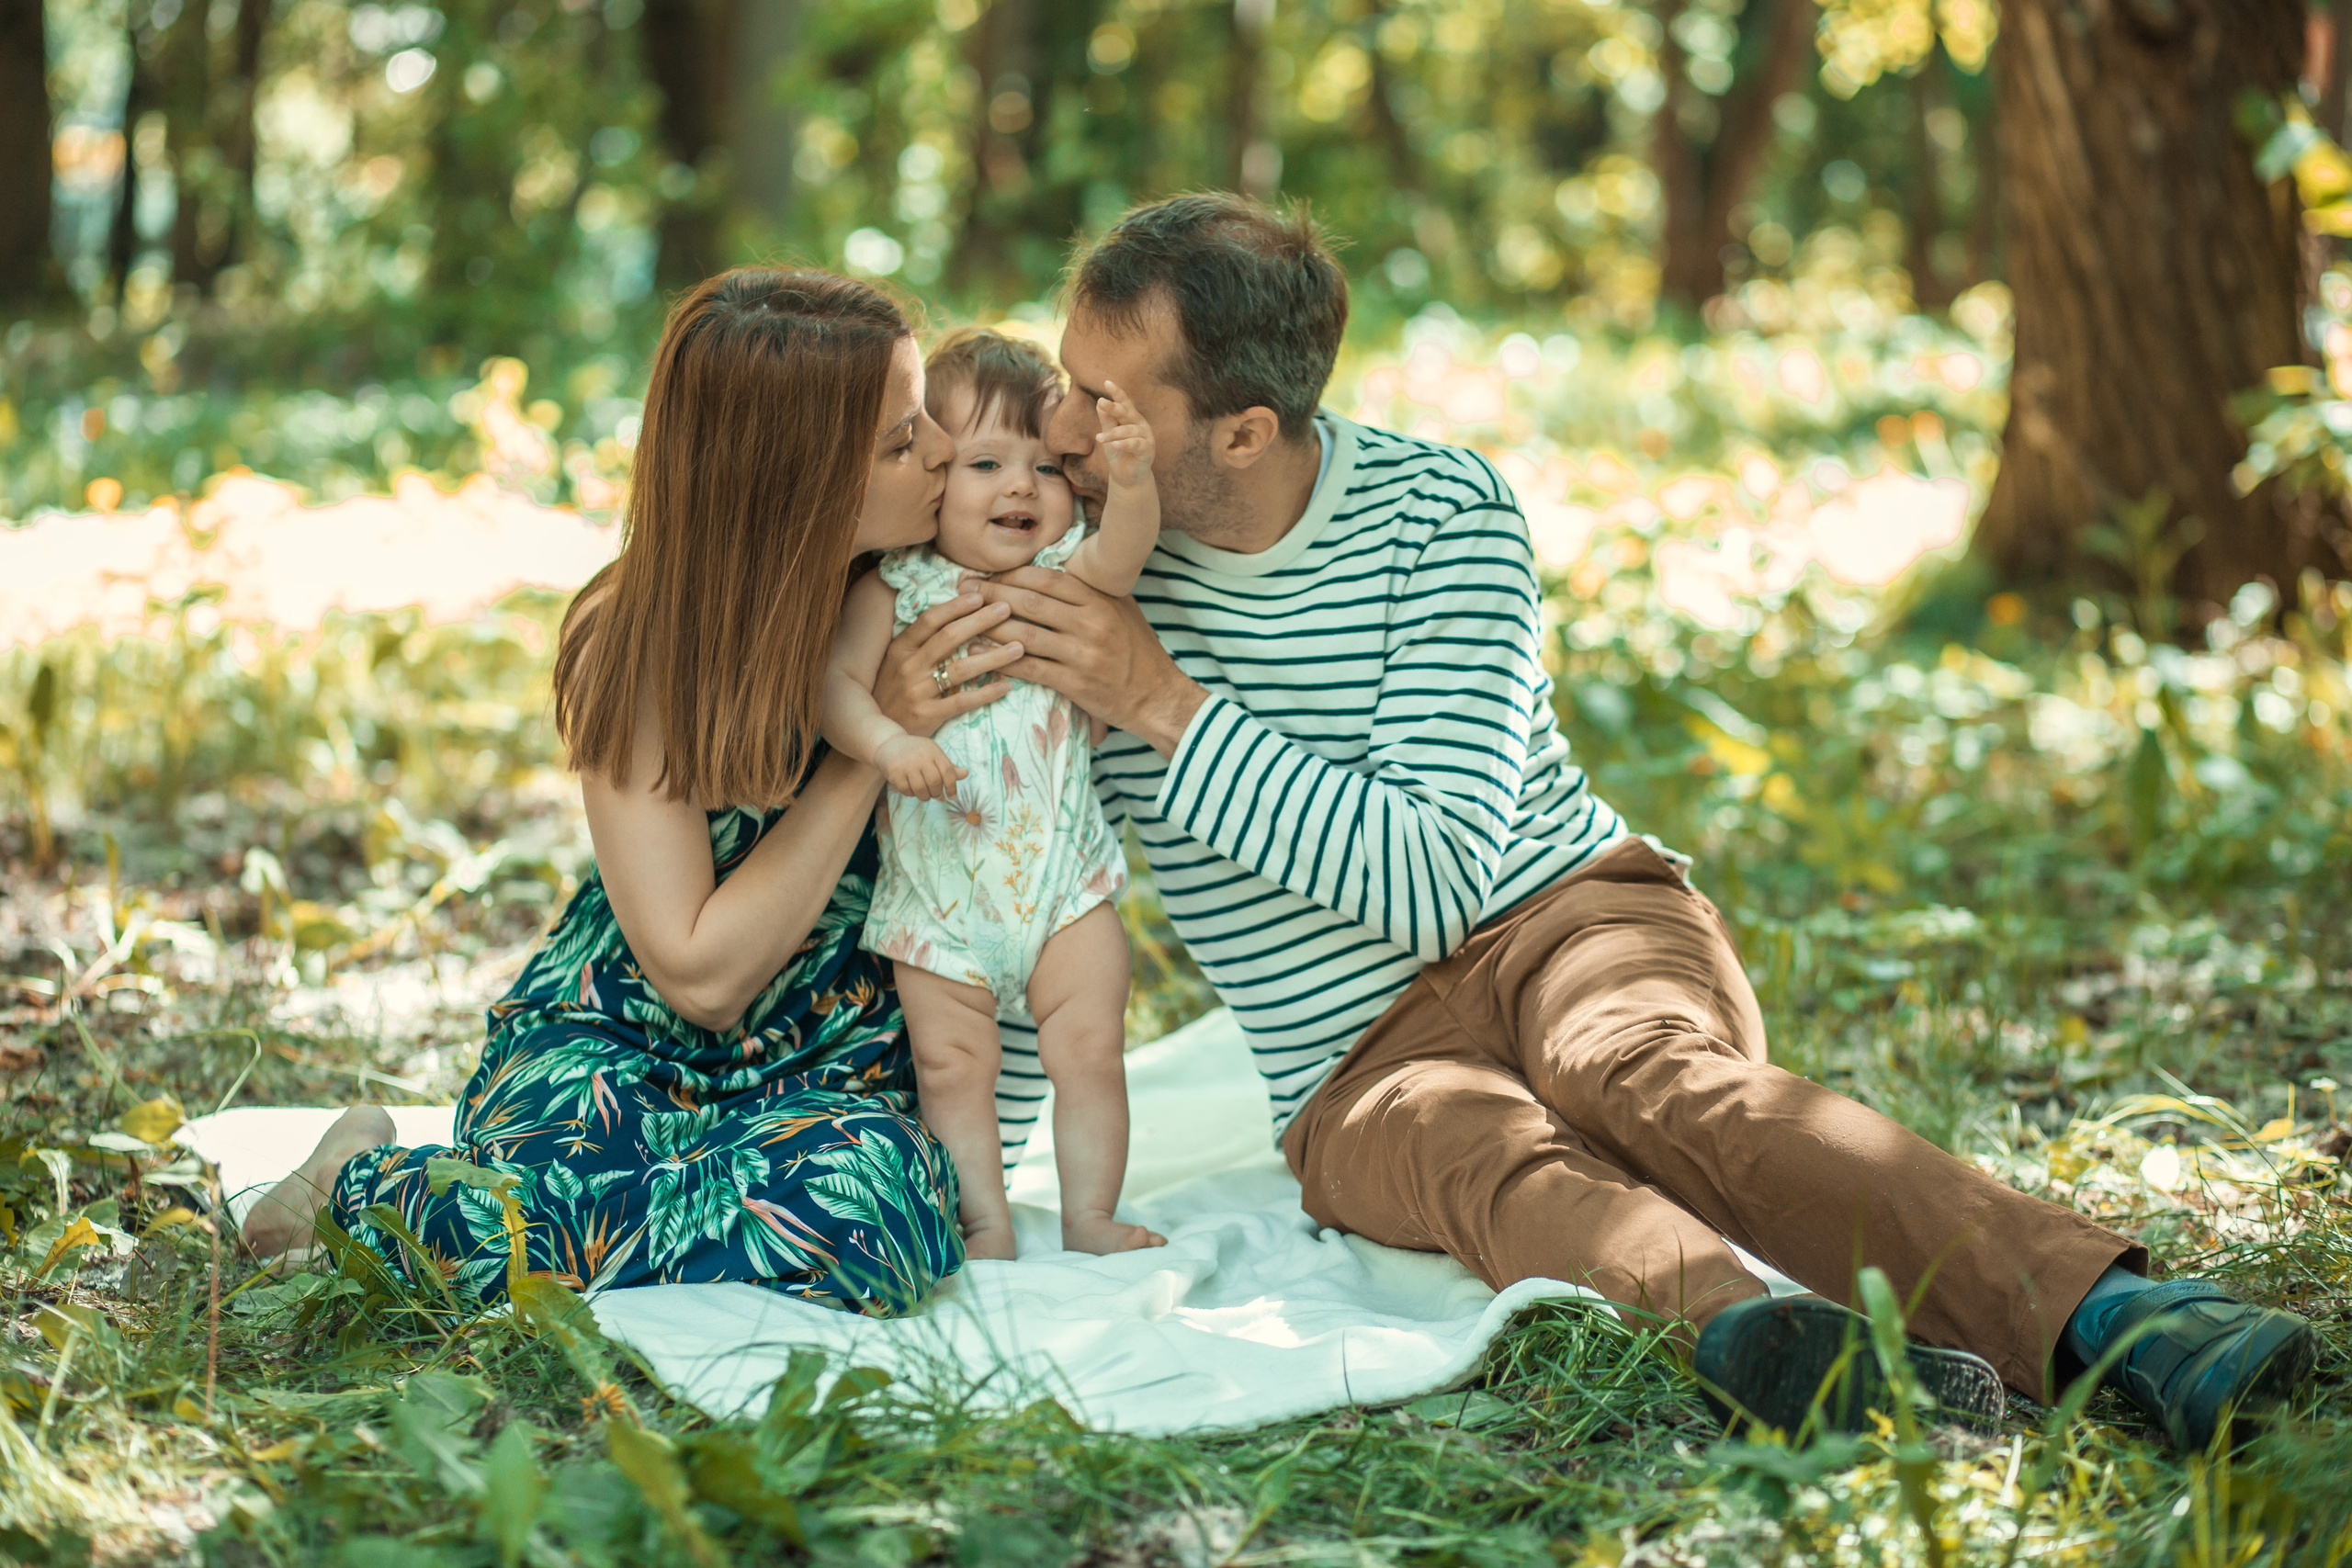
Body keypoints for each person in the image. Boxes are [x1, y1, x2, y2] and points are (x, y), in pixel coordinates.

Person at [969, 193, 2317, 1451]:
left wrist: (1162, 701)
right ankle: (1768, 1339)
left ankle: (2115, 1315)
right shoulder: (1062, 564)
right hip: (1352, 1056)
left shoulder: (1442, 513)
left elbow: (1438, 878)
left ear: (1244, 429)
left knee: (1647, 1078)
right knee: (1481, 1150)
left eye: (1099, 401)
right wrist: (975, 1172)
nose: (1065, 431)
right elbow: (1021, 886)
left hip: (1574, 922)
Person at [241, 269, 1033, 1315]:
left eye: (924, 414)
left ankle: (482, 1219)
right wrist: (868, 749)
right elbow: (699, 975)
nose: (942, 450)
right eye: (900, 440)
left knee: (869, 1213)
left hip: (832, 1044)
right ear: (796, 485)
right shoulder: (641, 638)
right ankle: (362, 1176)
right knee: (565, 1183)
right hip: (621, 1031)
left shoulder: (937, 575)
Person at [823, 328, 1169, 1259]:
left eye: (1042, 468)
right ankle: (984, 1217)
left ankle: (1089, 1214)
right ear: (933, 477)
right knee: (949, 1067)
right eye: (985, 462)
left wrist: (1130, 486)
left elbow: (1123, 555)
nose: (1021, 485)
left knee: (1089, 1050)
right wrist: (889, 743)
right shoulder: (895, 588)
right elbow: (834, 691)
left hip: (1064, 883)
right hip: (940, 896)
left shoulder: (1063, 576)